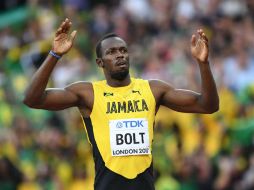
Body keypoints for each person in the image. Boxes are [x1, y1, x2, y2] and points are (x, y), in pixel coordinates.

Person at [23, 18, 219, 190]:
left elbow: (208, 105)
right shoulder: (88, 93)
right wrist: (54, 54)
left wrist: (203, 64)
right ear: (100, 63)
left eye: (123, 50)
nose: (120, 55)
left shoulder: (152, 89)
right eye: (112, 52)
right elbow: (32, 99)